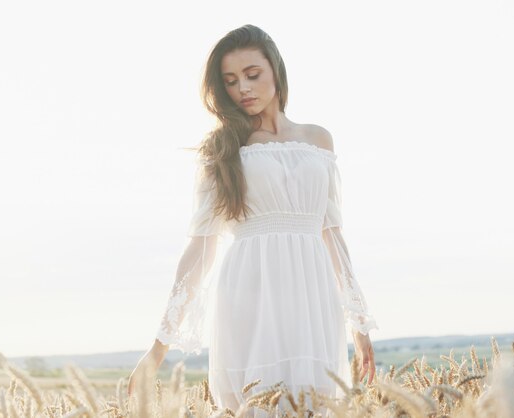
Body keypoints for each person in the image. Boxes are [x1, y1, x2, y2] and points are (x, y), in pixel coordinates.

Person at [128, 24, 378, 416]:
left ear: (275, 71)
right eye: (230, 81)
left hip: (313, 296)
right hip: (250, 291)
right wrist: (158, 348)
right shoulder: (224, 148)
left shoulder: (319, 140)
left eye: (252, 75)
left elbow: (333, 236)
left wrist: (358, 323)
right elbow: (200, 247)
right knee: (257, 404)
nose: (242, 88)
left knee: (316, 403)